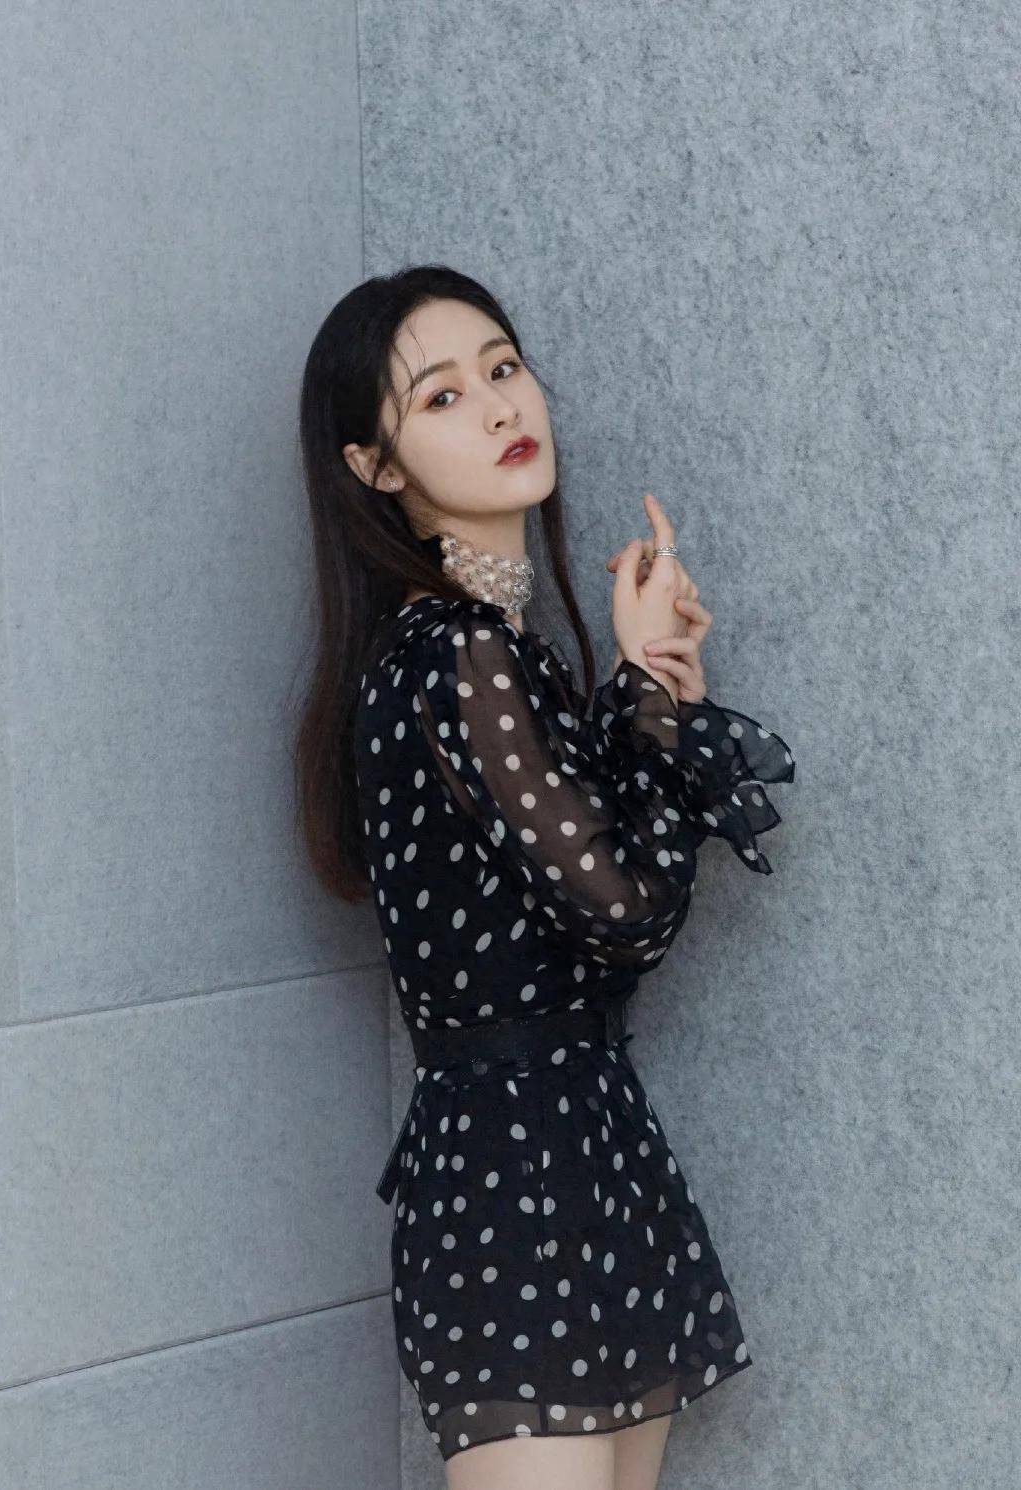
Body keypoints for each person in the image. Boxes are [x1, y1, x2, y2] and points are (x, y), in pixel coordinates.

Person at [294, 265, 796, 1490]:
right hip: (515, 1176)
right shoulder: (458, 653)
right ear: (375, 466)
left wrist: (645, 683)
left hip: (578, 1147)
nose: (498, 405)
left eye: (504, 367)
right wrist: (650, 694)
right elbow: (626, 910)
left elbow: (590, 903)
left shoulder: (494, 653)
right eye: (442, 396)